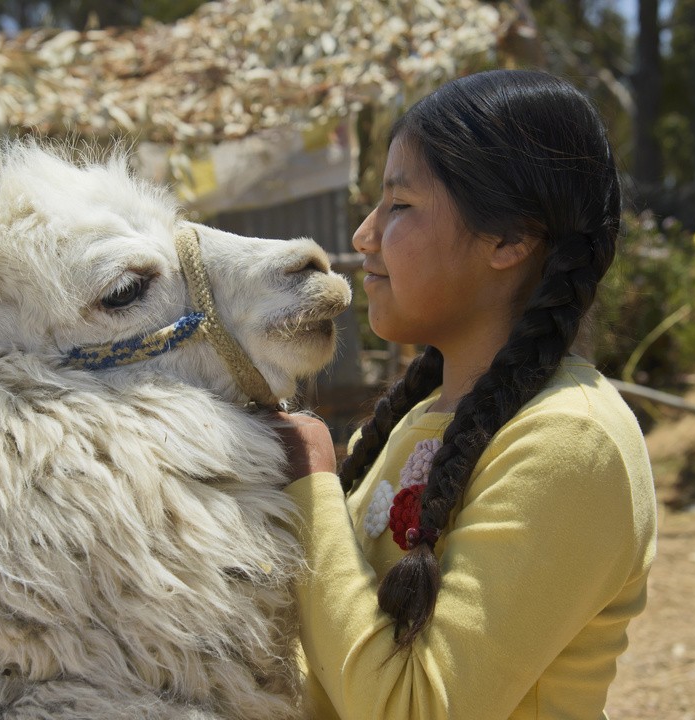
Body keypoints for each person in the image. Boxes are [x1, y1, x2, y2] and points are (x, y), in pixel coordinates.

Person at [275, 69, 658, 719]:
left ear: (509, 239)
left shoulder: (571, 441)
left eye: (399, 206)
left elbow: (414, 708)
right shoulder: (413, 422)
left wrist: (311, 485)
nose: (364, 237)